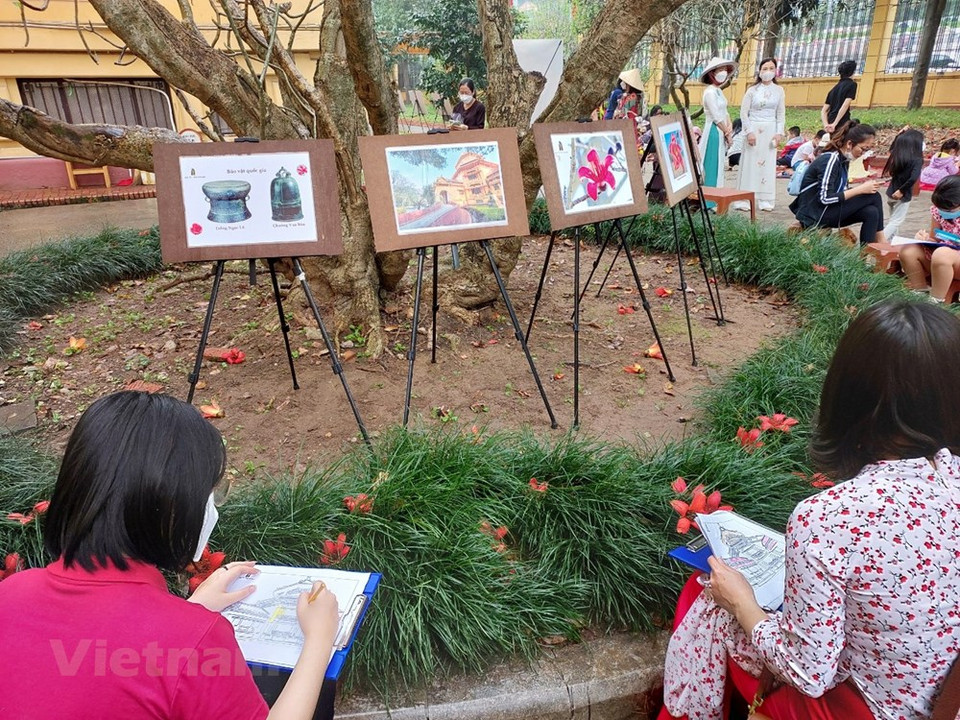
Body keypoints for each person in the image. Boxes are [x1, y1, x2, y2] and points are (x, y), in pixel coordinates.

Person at [660, 299, 960, 720]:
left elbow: (808, 670)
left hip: (869, 705)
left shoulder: (829, 518)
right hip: (942, 694)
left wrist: (743, 603)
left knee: (707, 594)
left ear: (847, 394)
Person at [0, 391, 340, 720]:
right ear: (170, 505)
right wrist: (320, 639)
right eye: (209, 492)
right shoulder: (196, 641)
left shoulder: (11, 594)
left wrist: (190, 611)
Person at [789, 121, 885, 245]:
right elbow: (825, 198)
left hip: (827, 211)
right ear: (850, 144)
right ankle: (882, 242)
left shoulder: (843, 160)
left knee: (871, 212)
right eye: (863, 149)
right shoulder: (830, 159)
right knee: (873, 196)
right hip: (816, 214)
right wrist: (860, 190)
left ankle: (867, 255)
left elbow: (840, 192)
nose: (863, 153)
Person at [733, 57, 786, 212]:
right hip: (754, 128)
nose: (768, 71)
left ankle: (765, 198)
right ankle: (743, 198)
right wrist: (749, 131)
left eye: (771, 68)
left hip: (770, 130)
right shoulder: (752, 90)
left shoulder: (779, 91)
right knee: (749, 164)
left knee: (767, 164)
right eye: (765, 68)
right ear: (759, 71)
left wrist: (779, 133)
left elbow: (781, 113)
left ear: (775, 71)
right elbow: (744, 113)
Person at [899, 175, 960, 302]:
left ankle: (936, 301)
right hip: (941, 258)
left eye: (949, 209)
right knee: (908, 250)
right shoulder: (938, 212)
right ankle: (920, 292)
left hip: (950, 259)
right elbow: (935, 239)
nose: (944, 212)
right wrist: (924, 238)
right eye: (941, 208)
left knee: (942, 254)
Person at [698, 57, 737, 188]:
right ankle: (708, 197)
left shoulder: (719, 91)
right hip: (713, 131)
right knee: (711, 161)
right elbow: (716, 116)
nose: (723, 73)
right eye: (720, 70)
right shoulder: (709, 92)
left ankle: (716, 193)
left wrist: (729, 126)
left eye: (725, 70)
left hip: (722, 130)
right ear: (712, 73)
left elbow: (725, 112)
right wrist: (727, 132)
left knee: (719, 161)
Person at [881, 128, 924, 239]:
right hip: (901, 195)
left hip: (891, 193)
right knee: (896, 221)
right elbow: (913, 177)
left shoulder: (897, 155)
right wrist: (902, 190)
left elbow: (892, 147)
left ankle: (892, 242)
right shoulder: (917, 159)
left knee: (893, 220)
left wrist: (899, 134)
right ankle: (880, 240)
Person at [821, 59, 858, 134]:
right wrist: (835, 123)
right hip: (842, 122)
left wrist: (826, 125)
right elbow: (845, 105)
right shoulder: (852, 84)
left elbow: (824, 111)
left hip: (830, 121)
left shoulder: (833, 89)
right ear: (852, 72)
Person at [612, 68, 647, 146]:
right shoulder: (638, 97)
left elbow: (623, 112)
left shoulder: (631, 97)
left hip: (626, 124)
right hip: (633, 123)